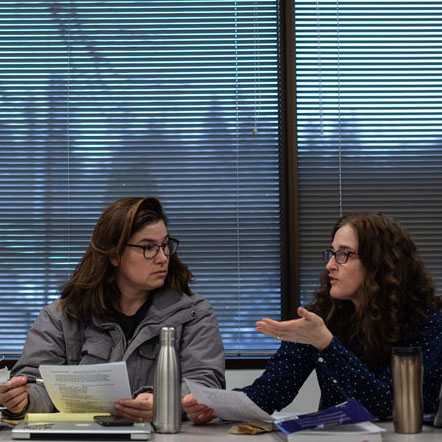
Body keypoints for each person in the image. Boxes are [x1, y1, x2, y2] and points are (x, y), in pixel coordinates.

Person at [185, 212, 442, 424]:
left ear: (379, 263)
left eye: (344, 254)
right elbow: (269, 393)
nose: (330, 264)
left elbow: (388, 406)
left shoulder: (426, 323)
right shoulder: (324, 317)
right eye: (331, 253)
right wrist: (212, 405)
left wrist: (327, 345)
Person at [0, 197, 225, 422]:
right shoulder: (63, 315)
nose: (163, 257)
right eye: (148, 247)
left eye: (165, 245)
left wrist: (167, 404)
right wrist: (21, 400)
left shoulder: (193, 313)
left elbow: (206, 384)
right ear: (114, 255)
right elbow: (35, 384)